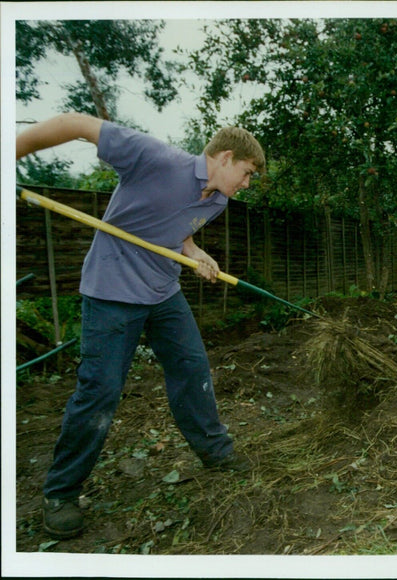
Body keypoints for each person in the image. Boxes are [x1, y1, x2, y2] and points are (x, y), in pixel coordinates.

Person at [16, 112, 266, 539]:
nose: (246, 184)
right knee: (100, 390)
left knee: (192, 367)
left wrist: (194, 251)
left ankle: (216, 452)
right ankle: (60, 492)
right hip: (112, 290)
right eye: (246, 173)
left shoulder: (217, 200)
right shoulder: (154, 157)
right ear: (225, 157)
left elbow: (176, 230)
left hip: (162, 292)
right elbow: (77, 123)